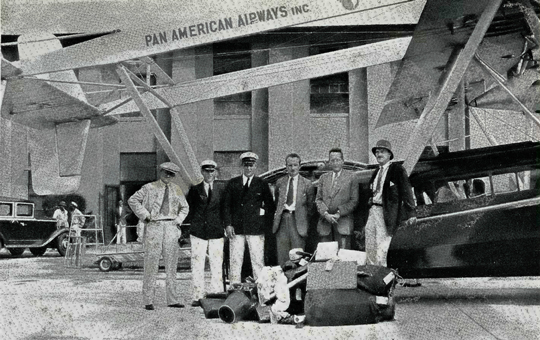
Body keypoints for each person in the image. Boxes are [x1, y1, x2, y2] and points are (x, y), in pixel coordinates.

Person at [128, 162, 189, 310]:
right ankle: (148, 300)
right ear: (160, 172)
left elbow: (185, 207)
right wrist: (145, 215)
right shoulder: (149, 187)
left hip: (170, 227)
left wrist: (178, 221)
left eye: (171, 174)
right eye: (165, 172)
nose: (168, 176)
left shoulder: (177, 189)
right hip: (154, 225)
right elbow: (132, 200)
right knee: (151, 263)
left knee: (171, 264)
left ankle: (172, 299)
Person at [223, 152, 275, 284]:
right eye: (246, 165)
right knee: (235, 260)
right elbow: (226, 206)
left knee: (258, 260)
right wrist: (228, 224)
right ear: (242, 166)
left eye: (251, 165)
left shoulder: (261, 184)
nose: (248, 168)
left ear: (255, 166)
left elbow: (270, 206)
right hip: (237, 228)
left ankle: (261, 289)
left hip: (255, 228)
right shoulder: (233, 183)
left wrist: (262, 222)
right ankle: (233, 289)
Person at [365, 139, 416, 266]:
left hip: (386, 212)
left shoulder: (397, 170)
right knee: (370, 244)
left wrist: (411, 213)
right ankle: (371, 275)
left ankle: (382, 277)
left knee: (382, 247)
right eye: (377, 152)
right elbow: (373, 191)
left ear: (389, 155)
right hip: (373, 211)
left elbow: (406, 191)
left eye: (382, 152)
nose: (379, 154)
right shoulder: (376, 172)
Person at [186, 160, 226, 307]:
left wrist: (226, 226)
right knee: (197, 263)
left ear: (215, 172)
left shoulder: (222, 190)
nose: (209, 174)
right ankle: (197, 296)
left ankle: (216, 294)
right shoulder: (194, 190)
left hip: (216, 231)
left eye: (212, 171)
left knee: (216, 263)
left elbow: (225, 210)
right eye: (206, 171)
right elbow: (189, 210)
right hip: (199, 232)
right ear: (202, 172)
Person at [272, 153, 315, 265]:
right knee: (283, 254)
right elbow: (277, 202)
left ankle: (296, 280)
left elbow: (310, 206)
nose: (292, 168)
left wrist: (303, 219)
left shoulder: (307, 184)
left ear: (299, 166)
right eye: (290, 165)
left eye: (295, 165)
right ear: (286, 166)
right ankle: (283, 280)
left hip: (298, 221)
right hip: (282, 220)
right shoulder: (280, 182)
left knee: (297, 255)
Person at [315, 148, 359, 249]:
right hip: (325, 224)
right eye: (332, 160)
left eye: (338, 160)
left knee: (343, 257)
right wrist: (326, 214)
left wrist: (339, 213)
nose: (335, 163)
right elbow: (318, 199)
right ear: (329, 162)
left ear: (343, 161)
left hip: (343, 222)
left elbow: (354, 200)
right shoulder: (323, 178)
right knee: (325, 256)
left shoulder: (351, 177)